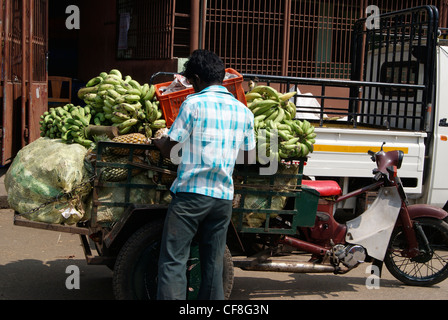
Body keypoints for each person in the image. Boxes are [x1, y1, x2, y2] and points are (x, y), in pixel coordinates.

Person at [153, 49, 256, 300]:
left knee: (173, 260)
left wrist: (158, 142)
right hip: (222, 199)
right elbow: (249, 157)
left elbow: (171, 149)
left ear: (196, 79)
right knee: (213, 263)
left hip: (190, 197)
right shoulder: (243, 111)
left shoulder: (193, 104)